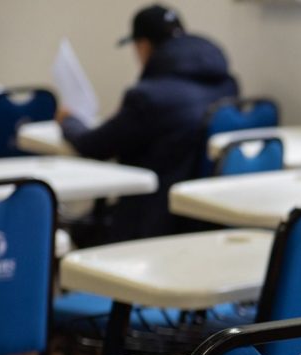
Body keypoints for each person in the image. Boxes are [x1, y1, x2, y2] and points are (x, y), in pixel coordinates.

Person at [57, 4, 238, 242]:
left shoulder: (148, 97)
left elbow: (92, 145)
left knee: (74, 228)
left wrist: (69, 120)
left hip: (152, 222)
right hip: (204, 219)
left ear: (142, 46)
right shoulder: (226, 86)